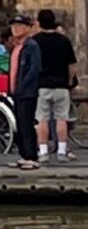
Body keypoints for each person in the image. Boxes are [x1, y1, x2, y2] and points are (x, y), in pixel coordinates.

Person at [36, 9, 77, 162]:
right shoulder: (64, 40)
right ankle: (61, 150)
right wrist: (70, 82)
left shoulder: (36, 41)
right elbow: (72, 65)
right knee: (62, 119)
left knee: (42, 119)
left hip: (43, 85)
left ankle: (43, 151)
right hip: (61, 85)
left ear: (39, 23)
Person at [11, 15, 43, 169]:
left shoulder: (31, 45)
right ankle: (24, 154)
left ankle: (31, 155)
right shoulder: (18, 46)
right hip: (17, 91)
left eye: (20, 25)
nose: (16, 29)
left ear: (28, 28)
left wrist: (23, 85)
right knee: (20, 124)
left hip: (27, 92)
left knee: (26, 124)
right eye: (14, 26)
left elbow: (34, 68)